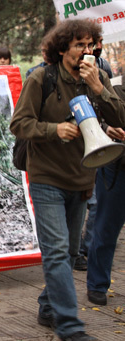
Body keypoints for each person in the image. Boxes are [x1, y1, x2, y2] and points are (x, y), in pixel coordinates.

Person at [10, 19, 125, 341]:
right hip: (47, 177)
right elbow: (19, 124)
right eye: (80, 46)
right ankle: (70, 327)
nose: (87, 52)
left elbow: (121, 119)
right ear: (62, 50)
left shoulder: (98, 78)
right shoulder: (40, 78)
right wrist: (53, 130)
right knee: (58, 252)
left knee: (70, 252)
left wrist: (100, 90)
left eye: (91, 45)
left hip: (83, 177)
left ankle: (48, 305)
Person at [74, 35, 114, 271]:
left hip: (99, 147)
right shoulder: (46, 76)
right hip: (71, 156)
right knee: (81, 203)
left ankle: (86, 248)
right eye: (84, 45)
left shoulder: (103, 71)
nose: (91, 49)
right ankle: (75, 249)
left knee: (97, 203)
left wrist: (110, 127)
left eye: (94, 44)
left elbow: (110, 111)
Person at [86, 74, 125, 306]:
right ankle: (97, 284)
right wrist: (107, 128)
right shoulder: (115, 90)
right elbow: (92, 120)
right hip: (117, 168)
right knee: (106, 227)